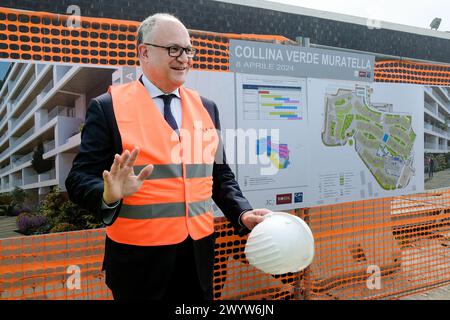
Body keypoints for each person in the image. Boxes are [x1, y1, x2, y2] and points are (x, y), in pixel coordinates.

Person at [65, 13, 271, 300]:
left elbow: (220, 175)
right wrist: (108, 193)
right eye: (174, 49)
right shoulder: (108, 107)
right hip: (138, 264)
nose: (184, 58)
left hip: (198, 258)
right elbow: (78, 179)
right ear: (144, 52)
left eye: (188, 50)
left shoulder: (207, 107)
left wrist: (242, 213)